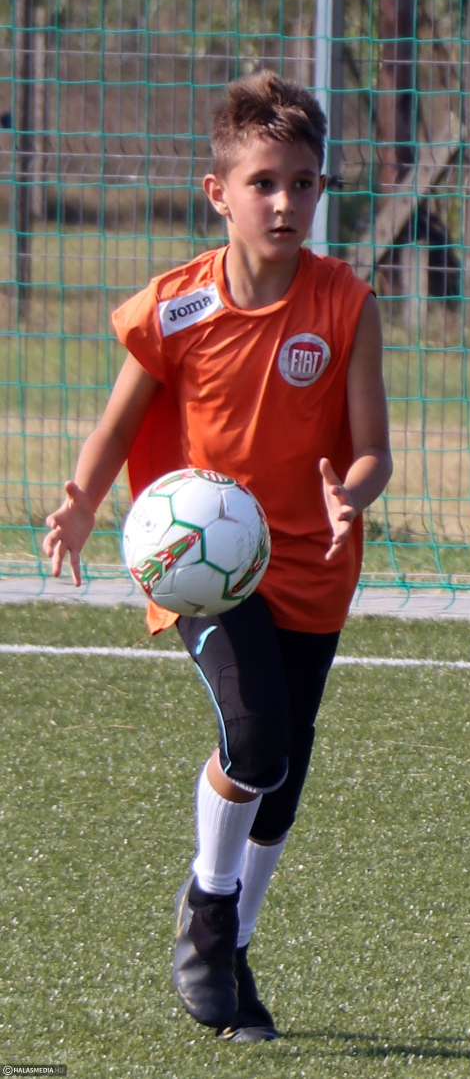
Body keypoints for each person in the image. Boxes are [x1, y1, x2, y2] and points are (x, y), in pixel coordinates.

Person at [43, 70, 392, 1043]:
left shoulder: (344, 303)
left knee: (284, 775)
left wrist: (351, 493)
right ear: (218, 193)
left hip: (313, 567)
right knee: (255, 738)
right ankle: (206, 908)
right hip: (205, 567)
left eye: (303, 183)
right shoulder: (177, 306)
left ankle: (229, 948)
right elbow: (117, 426)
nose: (285, 203)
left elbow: (373, 450)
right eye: (263, 183)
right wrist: (81, 501)